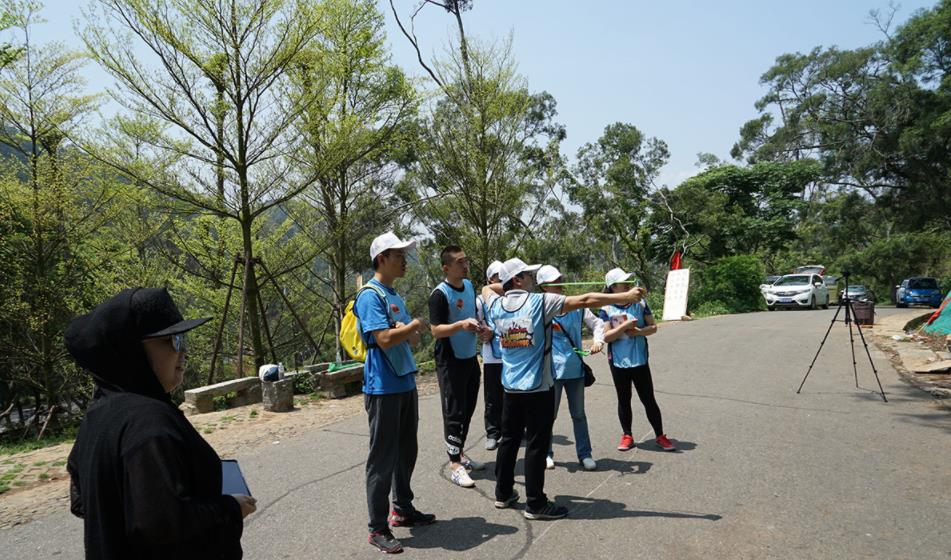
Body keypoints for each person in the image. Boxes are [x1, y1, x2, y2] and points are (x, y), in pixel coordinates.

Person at [65, 287, 256, 560]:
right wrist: (231, 508)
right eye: (172, 340)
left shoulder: (101, 412)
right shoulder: (150, 423)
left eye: (183, 339)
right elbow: (165, 526)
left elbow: (81, 500)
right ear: (131, 350)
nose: (183, 351)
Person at [487, 258, 644, 520]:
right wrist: (625, 296)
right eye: (527, 275)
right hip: (538, 387)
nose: (532, 279)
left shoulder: (495, 305)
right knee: (536, 445)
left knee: (510, 440)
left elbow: (486, 289)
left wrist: (503, 285)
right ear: (517, 280)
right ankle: (536, 504)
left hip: (510, 386)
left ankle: (503, 494)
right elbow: (586, 300)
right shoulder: (540, 302)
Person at [357, 232, 435, 554]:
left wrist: (409, 329)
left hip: (404, 382)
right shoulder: (369, 295)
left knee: (406, 451)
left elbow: (411, 339)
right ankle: (377, 528)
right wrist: (411, 325)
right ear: (381, 259)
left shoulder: (393, 295)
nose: (404, 261)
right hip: (383, 387)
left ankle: (402, 508)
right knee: (382, 457)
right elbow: (384, 338)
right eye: (398, 255)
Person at [535, 265, 605, 472]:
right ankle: (546, 453)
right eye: (554, 282)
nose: (559, 284)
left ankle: (585, 454)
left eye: (560, 279)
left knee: (579, 414)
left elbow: (598, 323)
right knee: (548, 416)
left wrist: (598, 341)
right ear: (544, 287)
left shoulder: (577, 306)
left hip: (575, 370)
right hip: (551, 372)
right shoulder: (540, 308)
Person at [428, 245, 487, 488]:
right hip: (449, 359)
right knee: (454, 411)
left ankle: (460, 453)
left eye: (466, 261)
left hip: (470, 356)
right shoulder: (439, 294)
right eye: (460, 262)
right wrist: (461, 325)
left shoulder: (470, 286)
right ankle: (454, 465)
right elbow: (435, 330)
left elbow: (473, 316)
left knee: (468, 408)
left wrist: (480, 328)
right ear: (446, 267)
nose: (465, 266)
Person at [599, 267, 676, 452]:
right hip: (618, 362)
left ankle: (660, 435)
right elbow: (607, 337)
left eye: (628, 281)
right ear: (613, 287)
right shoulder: (606, 307)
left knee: (648, 398)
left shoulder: (640, 303)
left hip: (640, 359)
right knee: (624, 399)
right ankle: (627, 436)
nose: (628, 285)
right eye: (623, 282)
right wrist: (624, 327)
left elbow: (653, 327)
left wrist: (639, 332)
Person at [476, 260, 504, 451]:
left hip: (514, 354)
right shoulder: (480, 300)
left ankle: (515, 429)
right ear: (489, 280)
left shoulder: (512, 296)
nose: (501, 280)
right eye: (497, 277)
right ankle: (493, 433)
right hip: (492, 356)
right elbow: (475, 323)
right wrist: (484, 331)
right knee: (493, 397)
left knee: (513, 395)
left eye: (503, 277)